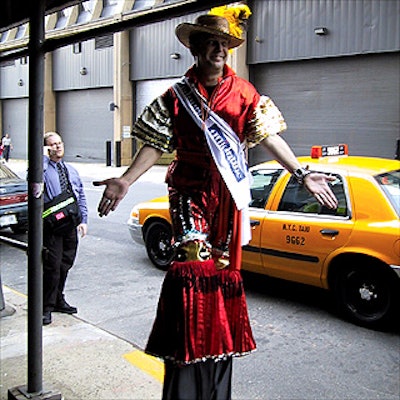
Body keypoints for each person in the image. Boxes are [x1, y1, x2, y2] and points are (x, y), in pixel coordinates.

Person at [94, 5, 338, 399]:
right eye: (211, 43)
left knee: (222, 271)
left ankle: (214, 355)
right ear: (195, 49)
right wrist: (125, 180)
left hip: (228, 198)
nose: (219, 49)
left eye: (224, 43)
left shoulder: (245, 94)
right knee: (193, 265)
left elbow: (268, 138)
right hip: (189, 193)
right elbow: (154, 146)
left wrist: (300, 173)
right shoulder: (175, 97)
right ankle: (188, 354)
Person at [42, 131, 88, 325]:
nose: (58, 146)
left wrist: (83, 220)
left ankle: (59, 299)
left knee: (65, 265)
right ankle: (46, 307)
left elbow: (81, 195)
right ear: (46, 148)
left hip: (70, 225)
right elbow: (34, 179)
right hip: (52, 227)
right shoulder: (42, 169)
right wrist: (43, 156)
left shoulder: (71, 170)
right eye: (52, 144)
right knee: (51, 267)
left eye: (59, 143)